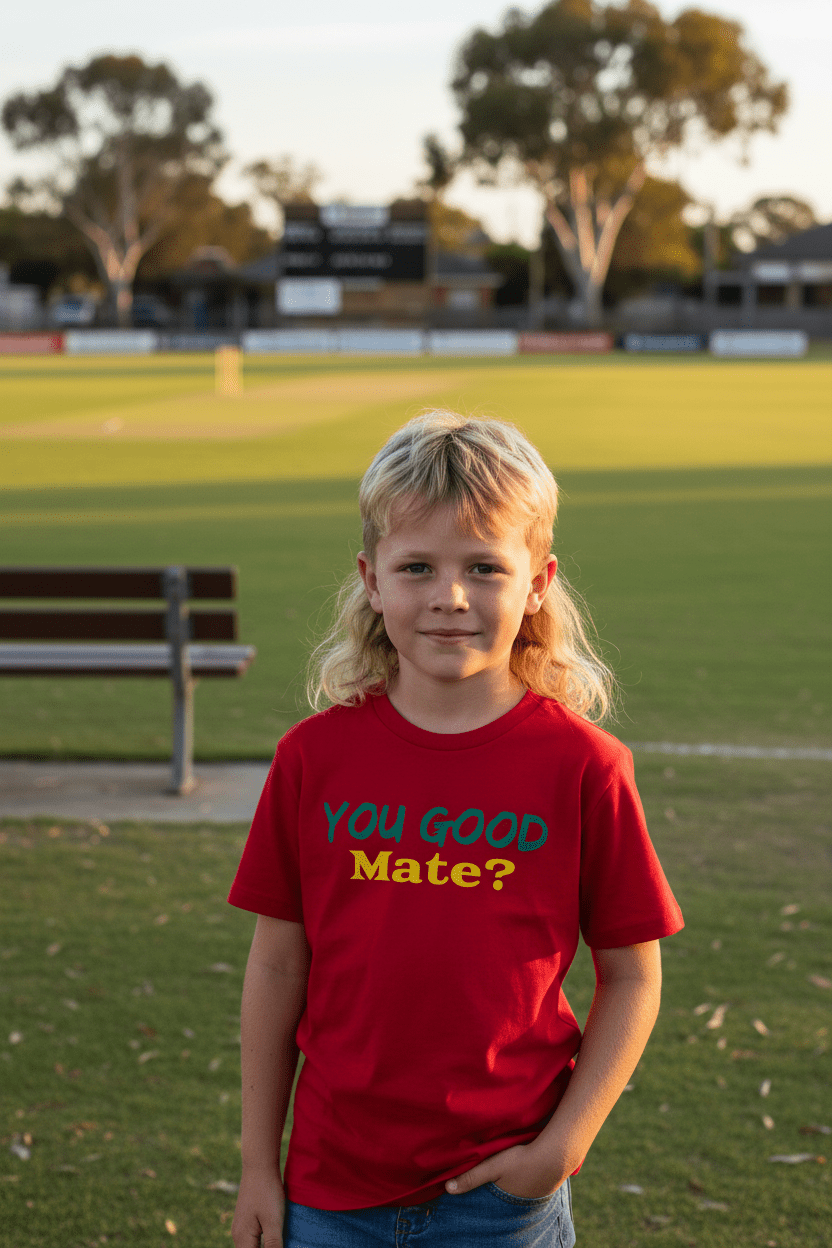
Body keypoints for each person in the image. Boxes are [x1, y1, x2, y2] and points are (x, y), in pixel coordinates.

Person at [228, 411, 683, 1248]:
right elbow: (277, 963)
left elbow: (633, 977)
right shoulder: (313, 759)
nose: (450, 597)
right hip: (328, 1194)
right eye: (417, 567)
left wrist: (561, 1149)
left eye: (484, 566)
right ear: (371, 579)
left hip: (500, 1202)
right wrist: (260, 1166)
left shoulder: (584, 766)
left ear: (538, 582)